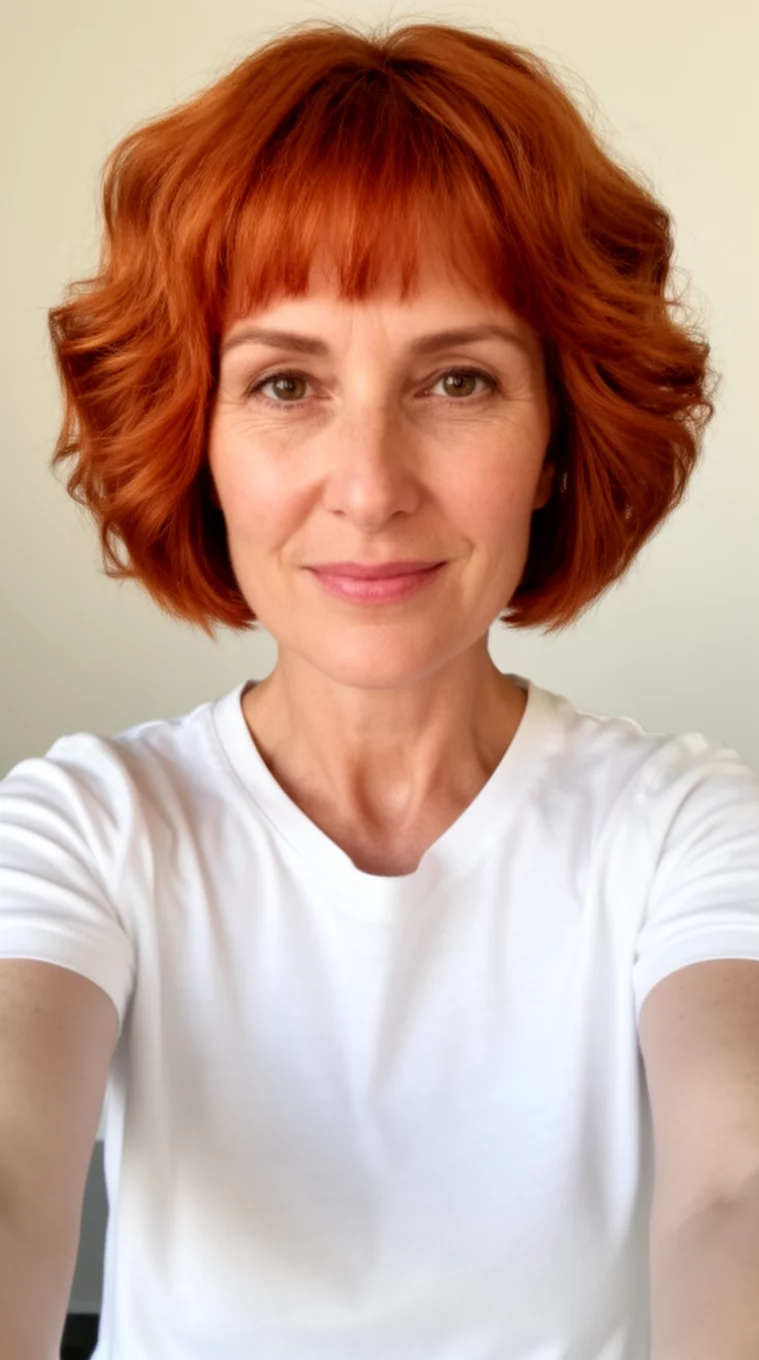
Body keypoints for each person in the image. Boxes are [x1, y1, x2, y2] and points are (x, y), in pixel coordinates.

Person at [1, 17, 758, 1360]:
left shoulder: (681, 831)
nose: (368, 485)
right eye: (286, 383)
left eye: (457, 380)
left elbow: (732, 1194)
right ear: (195, 435)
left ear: (557, 440)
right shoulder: (87, 826)